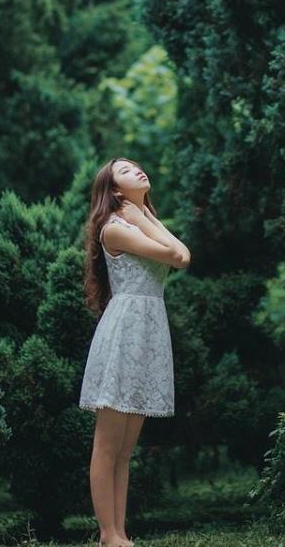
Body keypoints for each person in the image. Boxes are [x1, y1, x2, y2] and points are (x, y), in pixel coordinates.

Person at [79, 157, 191, 547]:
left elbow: (179, 251)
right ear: (113, 192)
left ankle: (120, 533)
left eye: (137, 167)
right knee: (108, 445)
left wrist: (143, 212)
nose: (138, 171)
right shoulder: (115, 229)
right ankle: (108, 535)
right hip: (124, 334)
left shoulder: (138, 220)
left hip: (148, 332)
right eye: (126, 171)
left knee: (125, 450)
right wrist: (140, 217)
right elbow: (179, 256)